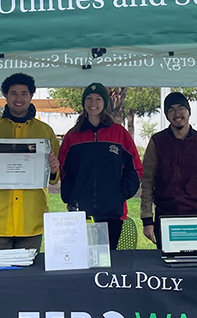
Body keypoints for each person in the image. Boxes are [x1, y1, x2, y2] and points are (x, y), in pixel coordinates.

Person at [0, 73, 60, 250]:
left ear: (31, 96)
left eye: (24, 93)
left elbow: (56, 174)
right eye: (13, 93)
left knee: (27, 276)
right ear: (6, 96)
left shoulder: (45, 132)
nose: (19, 98)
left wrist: (55, 169)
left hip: (31, 220)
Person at [58, 83, 143, 250]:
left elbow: (135, 169)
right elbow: (64, 171)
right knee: (81, 261)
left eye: (98, 99)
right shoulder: (73, 136)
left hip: (112, 213)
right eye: (89, 99)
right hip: (80, 214)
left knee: (107, 260)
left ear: (104, 103)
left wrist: (119, 195)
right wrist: (70, 197)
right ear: (83, 103)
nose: (93, 103)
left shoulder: (119, 133)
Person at [140, 92, 197, 248]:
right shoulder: (157, 142)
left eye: (181, 108)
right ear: (166, 115)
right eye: (171, 110)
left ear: (189, 112)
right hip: (165, 218)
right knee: (166, 269)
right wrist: (147, 219)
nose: (177, 114)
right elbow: (147, 181)